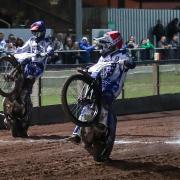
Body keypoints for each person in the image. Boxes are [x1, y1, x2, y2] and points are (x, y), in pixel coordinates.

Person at [67, 31, 136, 143]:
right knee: (87, 104)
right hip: (100, 84)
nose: (103, 47)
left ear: (113, 44)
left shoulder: (123, 53)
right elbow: (97, 67)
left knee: (105, 99)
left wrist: (127, 62)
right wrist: (88, 68)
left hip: (114, 85)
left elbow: (132, 62)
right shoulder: (103, 57)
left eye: (106, 44)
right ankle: (76, 134)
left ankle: (103, 124)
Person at [15, 20, 53, 106]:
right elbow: (23, 48)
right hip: (30, 63)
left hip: (39, 66)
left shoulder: (46, 41)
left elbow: (50, 48)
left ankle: (26, 94)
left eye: (37, 32)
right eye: (34, 32)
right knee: (21, 70)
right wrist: (16, 50)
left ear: (43, 32)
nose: (35, 34)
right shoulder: (31, 40)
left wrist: (48, 52)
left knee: (29, 78)